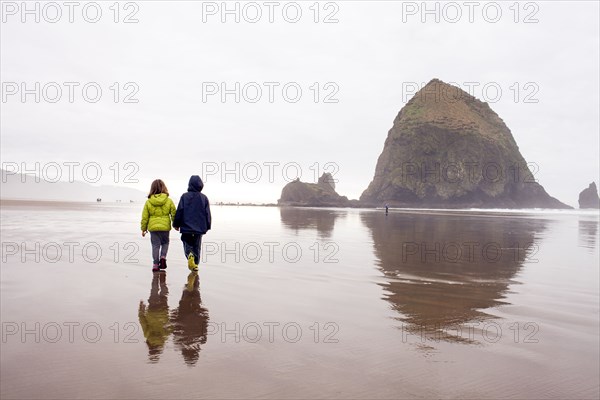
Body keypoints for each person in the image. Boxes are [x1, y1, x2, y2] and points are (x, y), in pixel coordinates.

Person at [173, 175, 212, 272]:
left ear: (189, 184)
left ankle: (189, 255)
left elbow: (180, 211)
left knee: (187, 243)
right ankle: (196, 264)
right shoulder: (204, 198)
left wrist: (176, 224)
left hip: (186, 227)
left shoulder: (184, 196)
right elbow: (207, 213)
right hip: (199, 228)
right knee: (197, 246)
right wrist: (208, 225)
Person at [141, 179, 177, 272]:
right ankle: (163, 257)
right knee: (165, 243)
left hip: (153, 228)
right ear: (164, 188)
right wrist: (175, 224)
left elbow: (145, 217)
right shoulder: (168, 201)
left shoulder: (148, 202)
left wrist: (143, 228)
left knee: (155, 245)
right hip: (165, 227)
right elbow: (174, 213)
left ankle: (155, 264)